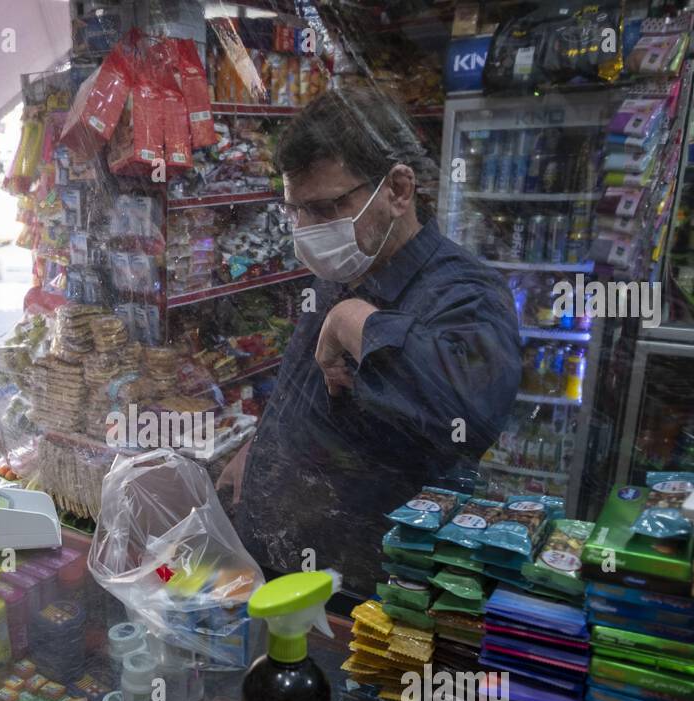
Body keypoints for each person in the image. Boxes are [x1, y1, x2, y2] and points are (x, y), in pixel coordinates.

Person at [219, 87, 521, 592]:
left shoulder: (467, 292)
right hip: (277, 562)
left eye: (326, 208)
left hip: (365, 594)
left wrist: (358, 322)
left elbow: (470, 413)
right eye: (295, 211)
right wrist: (260, 447)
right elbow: (310, 395)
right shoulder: (344, 271)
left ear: (398, 190)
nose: (306, 230)